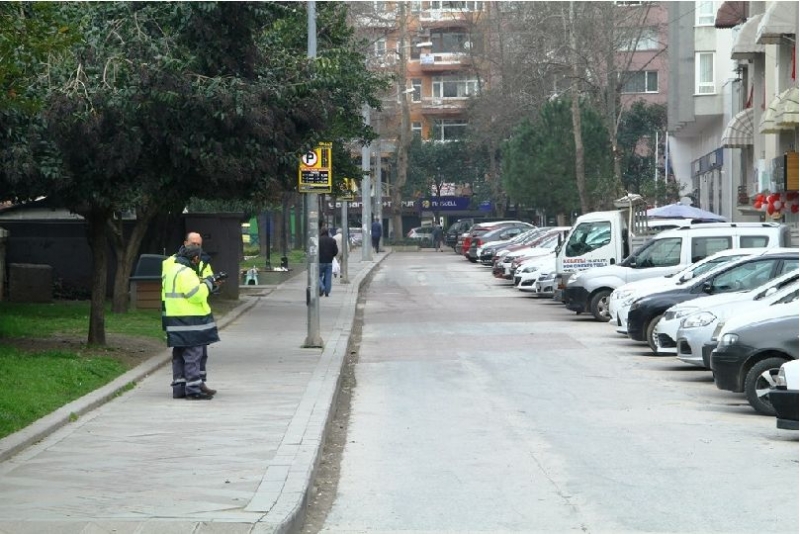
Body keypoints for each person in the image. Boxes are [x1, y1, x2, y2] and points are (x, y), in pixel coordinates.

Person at [161, 232, 221, 397]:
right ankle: (193, 389)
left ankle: (179, 388)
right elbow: (195, 294)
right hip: (190, 319)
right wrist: (208, 284)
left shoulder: (173, 268)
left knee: (179, 354)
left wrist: (210, 282)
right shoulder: (187, 272)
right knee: (194, 354)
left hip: (174, 316)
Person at [318, 227, 338, 297]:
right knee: (328, 277)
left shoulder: (318, 240)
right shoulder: (332, 240)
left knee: (317, 276)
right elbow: (335, 252)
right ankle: (327, 291)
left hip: (319, 262)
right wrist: (331, 255)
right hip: (329, 262)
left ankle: (322, 287)